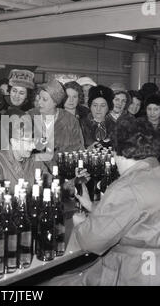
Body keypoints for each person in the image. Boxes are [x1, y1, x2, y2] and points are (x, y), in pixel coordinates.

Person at [48, 117, 160, 285]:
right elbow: (137, 215)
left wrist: (81, 224)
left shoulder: (127, 187)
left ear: (116, 152)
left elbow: (91, 242)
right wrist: (92, 206)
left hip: (134, 272)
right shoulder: (154, 173)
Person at [0, 114, 49, 194]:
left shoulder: (36, 161)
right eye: (28, 142)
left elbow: (49, 183)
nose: (32, 146)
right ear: (13, 142)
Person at [30, 79, 84, 164]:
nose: (39, 102)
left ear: (55, 102)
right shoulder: (29, 116)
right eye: (39, 98)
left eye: (44, 99)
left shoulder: (70, 121)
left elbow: (76, 151)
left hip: (62, 169)